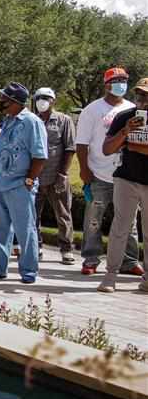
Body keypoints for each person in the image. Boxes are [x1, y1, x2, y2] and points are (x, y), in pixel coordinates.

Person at [75, 67, 143, 277]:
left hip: (126, 174)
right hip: (99, 174)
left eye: (124, 80)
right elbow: (82, 143)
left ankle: (129, 261)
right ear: (106, 84)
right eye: (116, 80)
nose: (121, 84)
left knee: (129, 221)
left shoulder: (133, 108)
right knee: (94, 220)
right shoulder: (92, 110)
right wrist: (85, 170)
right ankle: (91, 258)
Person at [0, 83, 47, 284]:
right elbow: (5, 152)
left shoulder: (32, 122)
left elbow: (40, 155)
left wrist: (29, 179)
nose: (1, 102)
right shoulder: (8, 121)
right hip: (0, 184)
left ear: (16, 101)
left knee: (24, 230)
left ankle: (29, 271)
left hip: (20, 185)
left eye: (5, 99)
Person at [97, 77, 148, 293]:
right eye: (139, 95)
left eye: (146, 96)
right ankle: (110, 277)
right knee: (120, 228)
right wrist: (125, 131)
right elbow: (107, 149)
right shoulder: (124, 117)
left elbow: (141, 150)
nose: (142, 100)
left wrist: (138, 149)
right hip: (126, 179)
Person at [32, 87, 77, 265]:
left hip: (56, 176)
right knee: (33, 215)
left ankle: (66, 249)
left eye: (46, 98)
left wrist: (62, 174)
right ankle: (37, 247)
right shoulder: (32, 121)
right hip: (35, 176)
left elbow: (70, 148)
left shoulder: (63, 120)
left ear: (53, 101)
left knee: (63, 214)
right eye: (39, 98)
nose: (42, 101)